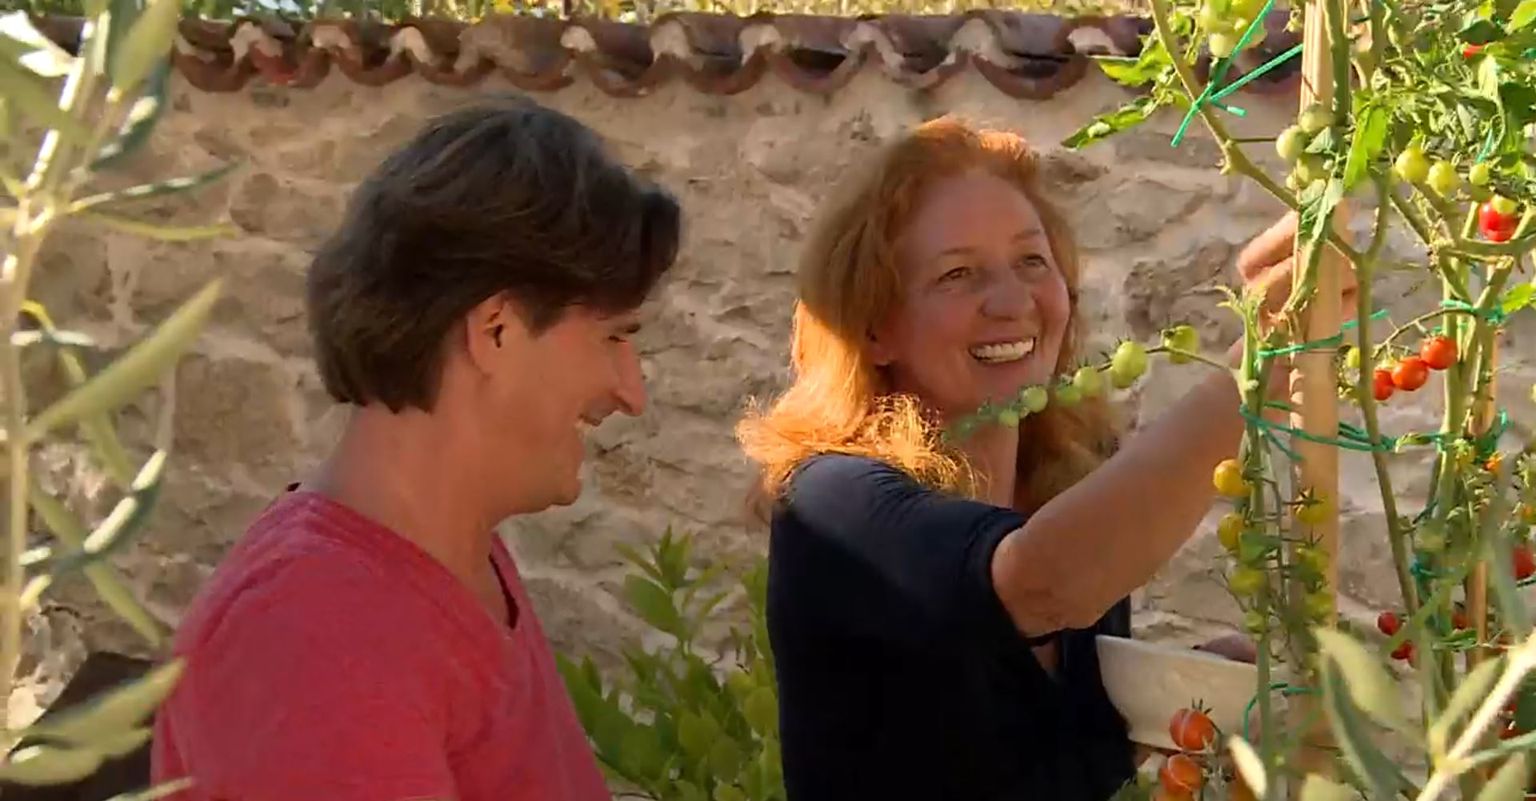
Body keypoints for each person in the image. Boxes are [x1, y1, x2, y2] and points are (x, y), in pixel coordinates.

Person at [734, 116, 1354, 801]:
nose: (1012, 302)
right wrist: (1258, 365)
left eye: (1032, 261)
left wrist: (1185, 691)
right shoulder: (833, 502)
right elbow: (1043, 583)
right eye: (957, 274)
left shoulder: (1068, 493)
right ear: (874, 327)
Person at [150, 94, 682, 801]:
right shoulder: (316, 641)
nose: (631, 392)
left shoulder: (451, 558)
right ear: (496, 330)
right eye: (613, 336)